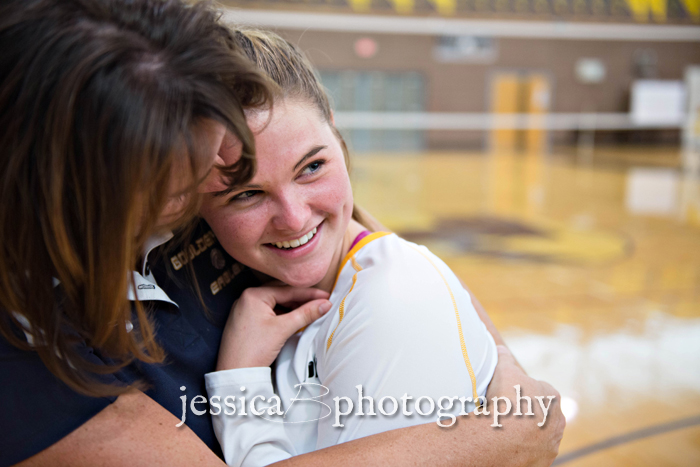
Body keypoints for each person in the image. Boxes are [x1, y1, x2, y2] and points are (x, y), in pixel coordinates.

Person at [0, 1, 565, 466]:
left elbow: (367, 236)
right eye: (235, 187)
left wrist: (501, 362)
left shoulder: (216, 181)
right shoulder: (34, 354)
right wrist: (498, 437)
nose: (221, 155)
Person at [197, 30, 552, 466]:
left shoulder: (395, 302)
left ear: (335, 128)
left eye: (312, 167)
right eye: (246, 194)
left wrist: (240, 381)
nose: (293, 218)